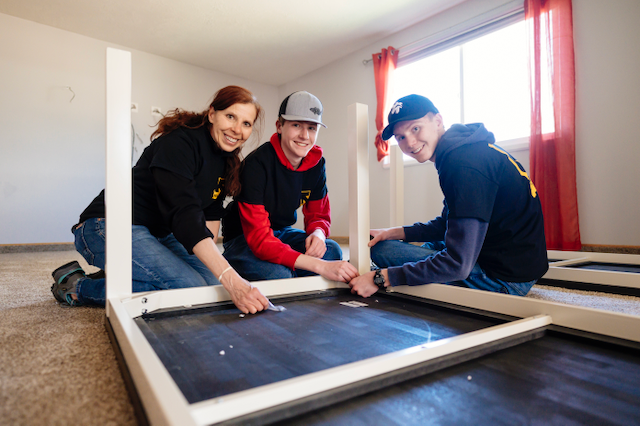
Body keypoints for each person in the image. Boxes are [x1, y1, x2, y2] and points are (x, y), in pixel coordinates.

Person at [51, 85, 270, 314]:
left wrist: (219, 273)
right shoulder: (180, 143)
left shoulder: (227, 161)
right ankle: (78, 286)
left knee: (212, 287)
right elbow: (185, 215)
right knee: (188, 288)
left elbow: (210, 218)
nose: (237, 129)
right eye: (230, 116)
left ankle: (126, 272)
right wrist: (232, 279)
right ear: (212, 114)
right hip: (105, 225)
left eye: (246, 123)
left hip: (159, 234)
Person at [349, 94, 548, 297]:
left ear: (437, 121)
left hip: (504, 277)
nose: (409, 142)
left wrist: (381, 277)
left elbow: (458, 265)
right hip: (507, 258)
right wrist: (392, 232)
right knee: (410, 245)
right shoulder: (464, 149)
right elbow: (448, 223)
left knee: (383, 252)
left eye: (415, 128)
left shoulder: (463, 164)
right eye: (401, 137)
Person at [222, 91, 358, 283]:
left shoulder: (317, 164)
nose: (304, 135)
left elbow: (319, 215)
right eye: (296, 125)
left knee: (332, 249)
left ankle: (291, 268)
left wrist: (318, 235)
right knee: (279, 276)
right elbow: (260, 239)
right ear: (279, 126)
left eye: (312, 128)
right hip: (244, 237)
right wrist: (318, 266)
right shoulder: (256, 165)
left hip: (282, 232)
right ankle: (234, 262)